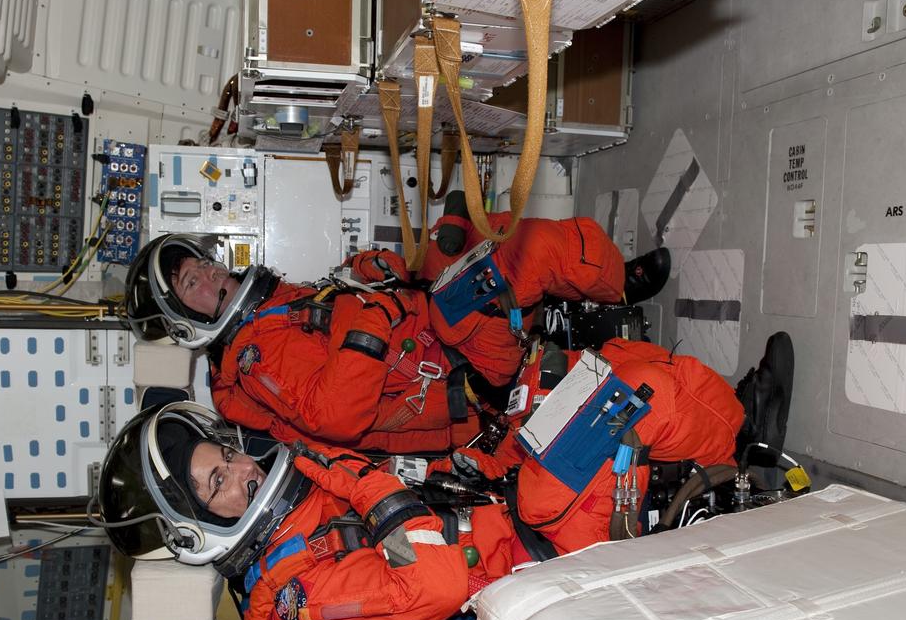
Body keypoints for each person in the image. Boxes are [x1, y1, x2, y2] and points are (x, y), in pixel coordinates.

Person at [95, 402, 520, 620]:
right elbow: (430, 582)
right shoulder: (299, 604)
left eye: (227, 456)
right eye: (219, 480)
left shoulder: (308, 495)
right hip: (527, 579)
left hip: (511, 522)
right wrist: (370, 491)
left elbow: (422, 494)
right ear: (198, 532)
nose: (245, 469)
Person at [124, 234, 473, 454]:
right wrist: (378, 316)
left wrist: (364, 266)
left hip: (437, 333)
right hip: (453, 375)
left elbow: (332, 299)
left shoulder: (270, 306)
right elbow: (337, 414)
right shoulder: (255, 358)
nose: (211, 272)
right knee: (525, 253)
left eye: (203, 263)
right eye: (192, 281)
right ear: (189, 321)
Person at [435, 338, 745, 555]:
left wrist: (471, 466)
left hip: (527, 497)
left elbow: (513, 461)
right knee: (649, 390)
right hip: (561, 519)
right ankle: (740, 423)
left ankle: (731, 413)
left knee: (620, 365)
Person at [347, 192, 673, 389]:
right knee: (503, 374)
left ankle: (617, 288)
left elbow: (398, 266)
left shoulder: (411, 268)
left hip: (463, 284)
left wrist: (454, 222)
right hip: (465, 324)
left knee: (536, 249)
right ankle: (617, 290)